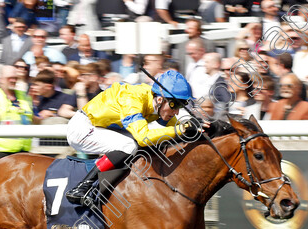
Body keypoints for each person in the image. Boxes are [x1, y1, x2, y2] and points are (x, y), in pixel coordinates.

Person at [64, 70, 206, 206]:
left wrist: (197, 129)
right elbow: (143, 137)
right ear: (160, 99)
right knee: (130, 145)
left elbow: (177, 128)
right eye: (175, 105)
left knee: (148, 143)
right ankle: (83, 187)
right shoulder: (132, 100)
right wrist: (181, 129)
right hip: (82, 129)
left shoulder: (157, 102)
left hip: (101, 127)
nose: (176, 112)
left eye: (181, 106)